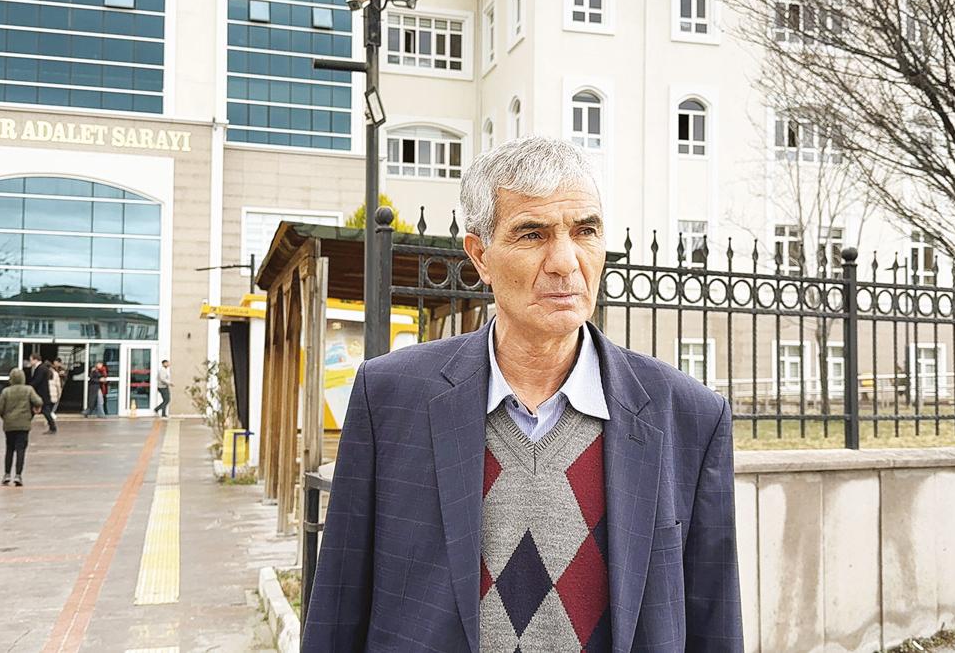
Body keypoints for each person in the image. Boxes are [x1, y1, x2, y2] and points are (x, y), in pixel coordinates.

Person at [303, 137, 742, 652]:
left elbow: (714, 626)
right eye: (533, 234)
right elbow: (337, 612)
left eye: (585, 231)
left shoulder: (689, 417)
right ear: (480, 257)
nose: (565, 262)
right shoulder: (389, 398)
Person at [0, 368, 42, 487]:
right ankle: (18, 475)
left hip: (9, 425)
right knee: (21, 450)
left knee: (9, 449)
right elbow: (38, 401)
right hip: (24, 425)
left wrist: (5, 417)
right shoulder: (28, 390)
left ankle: (7, 474)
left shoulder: (6, 391)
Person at [27, 354, 58, 434]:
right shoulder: (41, 368)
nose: (30, 362)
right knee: (34, 411)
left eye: (31, 360)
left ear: (35, 360)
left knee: (44, 411)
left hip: (41, 395)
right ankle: (25, 425)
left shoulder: (41, 368)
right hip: (42, 394)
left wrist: (29, 387)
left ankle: (53, 427)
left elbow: (37, 381)